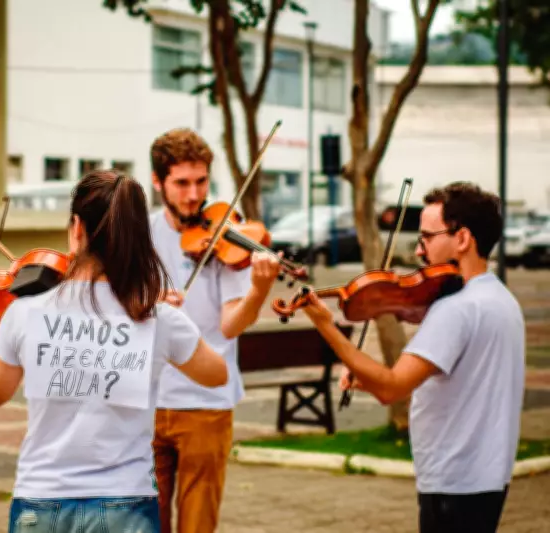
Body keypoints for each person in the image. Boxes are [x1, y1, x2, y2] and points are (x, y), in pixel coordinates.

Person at [0, 170, 229, 533]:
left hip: (42, 498)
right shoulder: (159, 317)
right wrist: (172, 325)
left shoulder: (26, 310)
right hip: (126, 500)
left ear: (77, 227)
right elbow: (216, 373)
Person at [296, 182, 525, 533]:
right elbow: (451, 380)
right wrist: (366, 376)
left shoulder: (455, 309)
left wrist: (326, 326)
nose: (419, 252)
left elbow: (392, 388)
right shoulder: (502, 300)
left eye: (427, 238)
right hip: (488, 476)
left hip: (453, 480)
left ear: (462, 239)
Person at [147, 128, 283, 533]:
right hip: (145, 401)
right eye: (181, 183)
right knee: (143, 525)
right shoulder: (139, 233)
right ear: (158, 183)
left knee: (198, 525)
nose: (193, 195)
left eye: (201, 181)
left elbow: (230, 324)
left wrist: (258, 290)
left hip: (206, 403)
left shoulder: (227, 235)